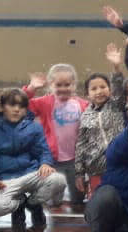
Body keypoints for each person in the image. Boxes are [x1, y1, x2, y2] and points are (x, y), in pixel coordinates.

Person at [0, 88, 67, 231]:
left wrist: (45, 163)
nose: (17, 109)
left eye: (22, 106)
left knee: (58, 180)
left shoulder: (35, 128)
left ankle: (33, 204)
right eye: (12, 105)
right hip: (6, 181)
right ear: (1, 107)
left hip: (31, 175)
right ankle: (19, 204)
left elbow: (43, 151)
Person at [23, 64, 90, 206]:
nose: (63, 88)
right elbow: (22, 104)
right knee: (54, 201)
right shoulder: (46, 102)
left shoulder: (82, 104)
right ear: (50, 85)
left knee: (78, 198)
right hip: (52, 159)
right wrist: (31, 88)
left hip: (75, 160)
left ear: (74, 85)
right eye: (58, 85)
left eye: (67, 85)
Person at [74, 44, 128, 197]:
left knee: (120, 199)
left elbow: (119, 87)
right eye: (94, 89)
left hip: (119, 165)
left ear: (109, 89)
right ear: (87, 94)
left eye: (103, 87)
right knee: (99, 201)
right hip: (96, 170)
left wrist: (116, 67)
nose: (99, 91)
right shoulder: (85, 116)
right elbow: (81, 145)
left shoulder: (116, 105)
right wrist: (79, 172)